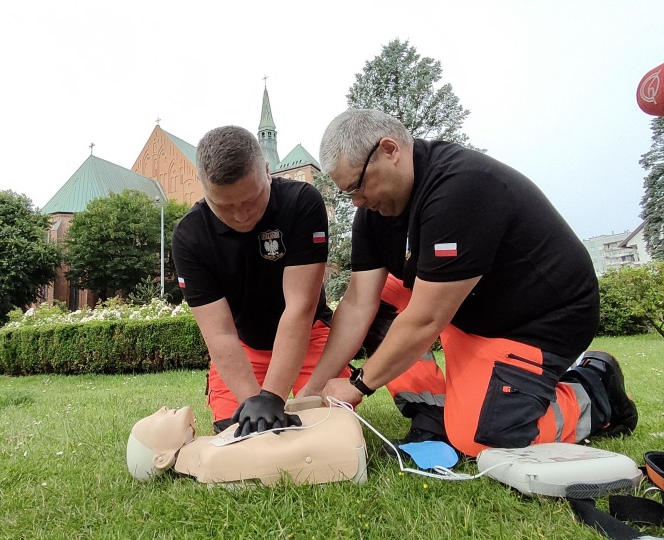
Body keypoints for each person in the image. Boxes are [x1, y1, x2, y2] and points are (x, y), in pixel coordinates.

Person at [299, 109, 637, 458]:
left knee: (483, 438)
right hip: (467, 310)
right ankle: (432, 415)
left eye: (358, 186)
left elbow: (427, 319)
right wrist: (312, 388)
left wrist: (359, 385)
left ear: (390, 150)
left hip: (539, 323)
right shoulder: (373, 214)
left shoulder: (460, 188)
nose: (357, 201)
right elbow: (357, 305)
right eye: (347, 193)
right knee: (381, 298)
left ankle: (596, 391)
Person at [171, 125, 351, 436]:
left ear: (267, 172)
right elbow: (220, 334)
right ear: (203, 188)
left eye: (252, 199)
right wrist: (255, 402)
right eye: (225, 206)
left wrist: (272, 396)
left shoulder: (302, 203)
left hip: (309, 335)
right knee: (237, 432)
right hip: (244, 346)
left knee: (327, 426)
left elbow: (300, 306)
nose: (241, 215)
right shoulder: (190, 236)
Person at [126, 398, 367, 485]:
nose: (162, 409)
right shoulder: (211, 462)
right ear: (162, 458)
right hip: (340, 439)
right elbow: (276, 459)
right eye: (153, 421)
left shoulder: (213, 445)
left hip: (332, 423)